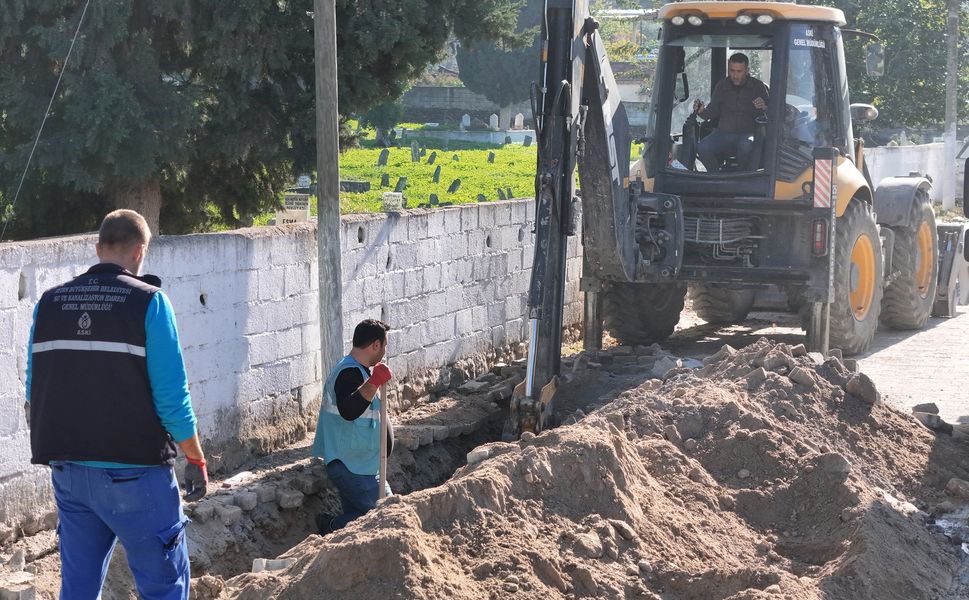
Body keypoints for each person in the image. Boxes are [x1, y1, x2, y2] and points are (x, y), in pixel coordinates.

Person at [26, 209, 207, 600]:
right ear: (140, 252)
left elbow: (32, 389)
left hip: (70, 474)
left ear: (98, 248)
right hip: (136, 477)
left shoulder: (49, 303)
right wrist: (196, 458)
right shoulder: (151, 303)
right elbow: (173, 400)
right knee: (164, 589)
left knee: (77, 590)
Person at [311, 319, 394, 535]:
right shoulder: (348, 373)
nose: (384, 351)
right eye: (384, 346)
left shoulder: (362, 372)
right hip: (351, 466)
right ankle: (331, 527)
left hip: (362, 466)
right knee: (387, 515)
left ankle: (336, 532)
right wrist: (374, 383)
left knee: (365, 522)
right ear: (375, 345)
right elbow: (349, 410)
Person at [692, 52, 770, 172]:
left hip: (748, 133)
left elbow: (772, 113)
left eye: (739, 71)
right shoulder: (721, 86)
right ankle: (716, 178)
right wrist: (702, 111)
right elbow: (712, 112)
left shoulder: (758, 87)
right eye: (732, 71)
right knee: (702, 147)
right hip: (723, 133)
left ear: (747, 70)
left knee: (746, 145)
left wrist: (764, 107)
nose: (735, 75)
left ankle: (742, 178)